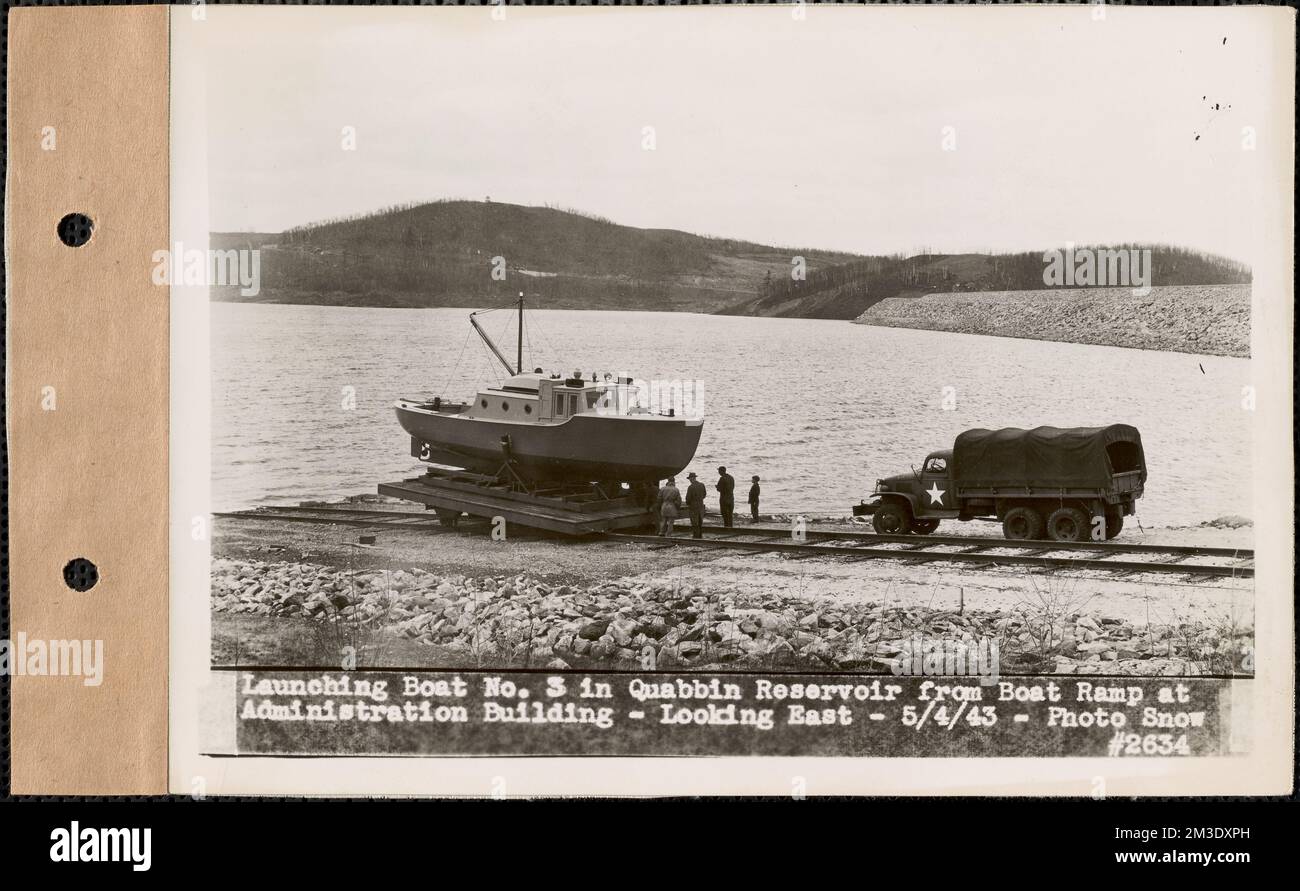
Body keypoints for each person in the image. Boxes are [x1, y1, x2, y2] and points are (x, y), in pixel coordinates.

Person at [684, 472, 707, 538]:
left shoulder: (690, 487)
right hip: (701, 505)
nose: (689, 480)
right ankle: (700, 535)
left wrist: (689, 503)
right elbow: (704, 494)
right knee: (700, 521)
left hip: (693, 506)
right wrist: (700, 500)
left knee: (694, 522)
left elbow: (688, 498)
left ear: (691, 479)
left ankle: (695, 536)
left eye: (690, 479)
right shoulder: (702, 485)